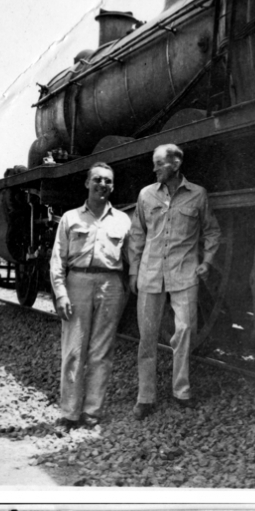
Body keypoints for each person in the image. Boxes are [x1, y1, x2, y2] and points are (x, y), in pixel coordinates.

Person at [128, 144, 221, 419]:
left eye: (159, 164)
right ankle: (145, 397)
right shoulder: (146, 195)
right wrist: (134, 270)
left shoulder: (198, 196)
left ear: (176, 165)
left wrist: (207, 261)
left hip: (184, 275)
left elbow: (212, 232)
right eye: (154, 163)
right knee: (147, 337)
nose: (154, 168)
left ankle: (181, 391)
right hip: (150, 274)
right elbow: (136, 235)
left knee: (184, 332)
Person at [50, 162, 130, 428]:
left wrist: (128, 288)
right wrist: (61, 293)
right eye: (97, 179)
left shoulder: (123, 221)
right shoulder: (71, 218)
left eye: (108, 181)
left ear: (113, 186)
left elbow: (131, 259)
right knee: (73, 350)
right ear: (87, 184)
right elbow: (57, 259)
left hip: (111, 285)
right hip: (78, 284)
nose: (102, 185)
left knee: (101, 352)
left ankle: (92, 412)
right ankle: (70, 413)